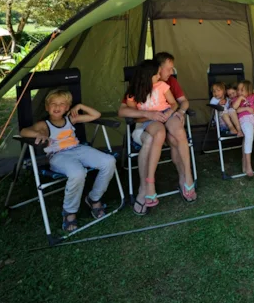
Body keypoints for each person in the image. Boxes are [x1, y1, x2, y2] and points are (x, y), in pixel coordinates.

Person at [20, 90, 116, 232]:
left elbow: (96, 115)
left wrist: (80, 106)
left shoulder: (71, 119)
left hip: (78, 149)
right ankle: (69, 211)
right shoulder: (44, 124)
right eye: (53, 104)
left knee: (109, 161)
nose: (57, 107)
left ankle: (94, 198)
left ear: (67, 107)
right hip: (58, 156)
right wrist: (38, 133)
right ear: (47, 107)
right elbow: (23, 132)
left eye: (62, 104)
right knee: (77, 173)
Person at [118, 59, 176, 215]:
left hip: (156, 129)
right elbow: (126, 114)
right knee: (150, 138)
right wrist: (147, 114)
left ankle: (145, 187)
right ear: (147, 76)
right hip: (141, 130)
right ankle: (145, 188)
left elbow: (173, 104)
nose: (160, 75)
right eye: (157, 73)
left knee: (153, 138)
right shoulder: (134, 93)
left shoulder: (161, 86)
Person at [154, 51, 197, 202]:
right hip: (154, 121)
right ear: (158, 68)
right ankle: (184, 178)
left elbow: (183, 101)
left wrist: (182, 111)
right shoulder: (149, 81)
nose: (172, 72)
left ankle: (187, 175)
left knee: (177, 133)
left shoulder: (171, 81)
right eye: (169, 68)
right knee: (173, 140)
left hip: (170, 115)